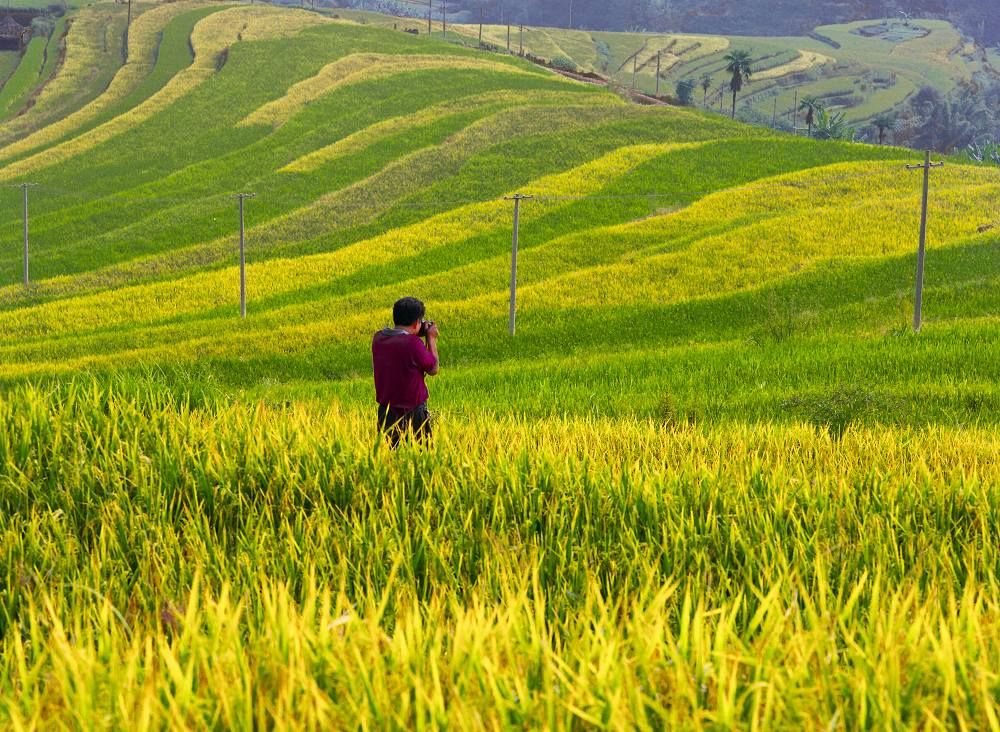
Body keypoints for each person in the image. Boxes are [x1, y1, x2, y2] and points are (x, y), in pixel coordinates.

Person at [372, 297, 440, 447]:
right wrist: (431, 338)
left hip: (386, 411)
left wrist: (414, 333)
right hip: (413, 410)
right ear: (417, 323)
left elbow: (400, 343)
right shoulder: (413, 343)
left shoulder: (378, 338)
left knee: (390, 455)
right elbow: (433, 368)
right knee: (423, 455)